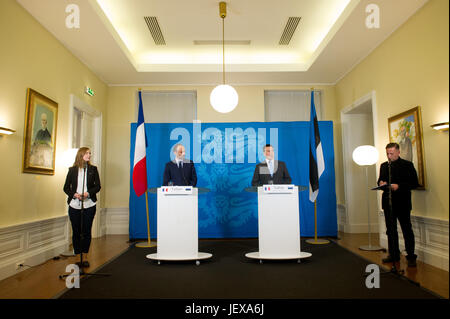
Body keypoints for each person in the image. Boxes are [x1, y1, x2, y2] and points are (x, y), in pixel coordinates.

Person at [377, 142, 419, 267]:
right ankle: (394, 254)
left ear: (398, 152)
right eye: (387, 153)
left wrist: (399, 186)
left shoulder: (407, 165)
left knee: (406, 229)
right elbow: (380, 179)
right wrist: (381, 183)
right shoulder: (384, 166)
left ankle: (411, 256)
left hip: (403, 203)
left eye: (391, 153)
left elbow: (414, 183)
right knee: (390, 230)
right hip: (388, 203)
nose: (389, 156)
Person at [63, 147, 101, 268]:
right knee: (76, 231)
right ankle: (77, 256)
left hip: (89, 204)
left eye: (90, 153)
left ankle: (85, 257)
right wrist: (74, 194)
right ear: (81, 155)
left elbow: (98, 186)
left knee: (86, 231)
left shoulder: (93, 169)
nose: (89, 155)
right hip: (74, 205)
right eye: (87, 153)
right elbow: (66, 188)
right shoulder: (72, 170)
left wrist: (88, 193)